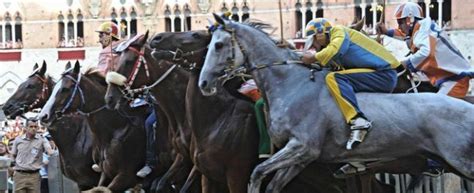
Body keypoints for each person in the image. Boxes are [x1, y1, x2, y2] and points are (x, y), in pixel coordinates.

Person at [301, 18, 400, 177]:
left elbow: (335, 49)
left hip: (383, 75)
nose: (313, 45)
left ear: (320, 34)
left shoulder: (338, 31)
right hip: (374, 76)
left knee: (334, 78)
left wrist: (313, 57)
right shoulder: (330, 51)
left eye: (313, 40)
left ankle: (358, 121)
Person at [377, 2, 474, 98]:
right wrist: (386, 32)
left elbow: (426, 53)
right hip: (444, 79)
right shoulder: (420, 30)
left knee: (435, 108)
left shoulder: (425, 29)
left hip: (454, 81)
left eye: (400, 23)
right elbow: (404, 35)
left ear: (410, 19)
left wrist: (406, 63)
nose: (399, 27)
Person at [11, 119, 54, 193]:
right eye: (31, 126)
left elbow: (50, 152)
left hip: (34, 175)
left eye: (35, 126)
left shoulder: (42, 139)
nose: (33, 128)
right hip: (19, 174)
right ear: (26, 127)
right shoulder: (18, 140)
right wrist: (13, 168)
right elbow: (13, 155)